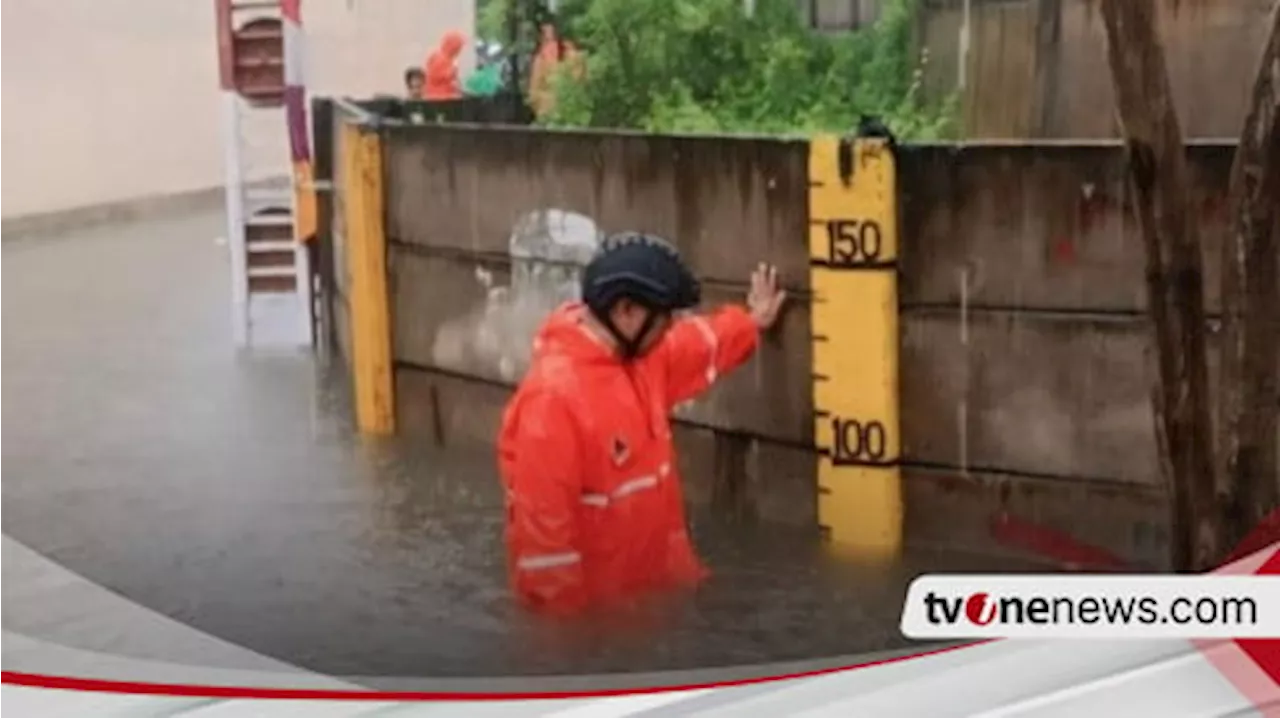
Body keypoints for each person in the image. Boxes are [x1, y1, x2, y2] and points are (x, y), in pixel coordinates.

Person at [497, 232, 787, 616]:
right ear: (627, 311)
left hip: (661, 598)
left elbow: (700, 343)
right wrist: (571, 661)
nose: (669, 328)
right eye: (663, 317)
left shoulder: (641, 359)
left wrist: (752, 322)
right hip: (604, 629)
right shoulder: (552, 403)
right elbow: (545, 558)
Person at [423, 30, 466, 100]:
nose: (459, 51)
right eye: (458, 47)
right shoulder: (440, 58)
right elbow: (438, 76)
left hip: (445, 96)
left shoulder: (447, 59)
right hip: (439, 97)